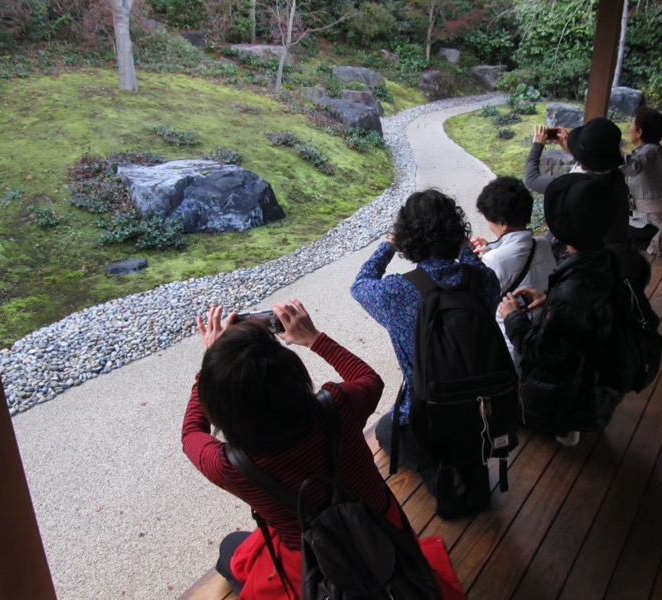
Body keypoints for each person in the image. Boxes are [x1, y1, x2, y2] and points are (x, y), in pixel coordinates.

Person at [182, 301, 419, 598]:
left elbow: (191, 431)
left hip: (314, 563)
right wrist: (314, 338)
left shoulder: (229, 464)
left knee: (231, 549)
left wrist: (211, 364)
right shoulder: (339, 406)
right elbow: (370, 379)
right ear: (294, 374)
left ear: (217, 403)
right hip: (385, 532)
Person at [350, 189, 500, 519]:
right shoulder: (483, 280)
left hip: (426, 412)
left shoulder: (395, 292)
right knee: (465, 429)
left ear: (408, 239)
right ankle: (473, 468)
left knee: (387, 432)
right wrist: (465, 247)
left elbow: (360, 284)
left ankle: (437, 474)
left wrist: (387, 245)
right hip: (483, 405)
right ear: (457, 232)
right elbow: (475, 265)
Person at [499, 173, 625, 447]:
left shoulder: (573, 290)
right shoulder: (608, 258)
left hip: (572, 392)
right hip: (600, 374)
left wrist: (514, 318)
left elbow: (541, 352)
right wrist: (550, 297)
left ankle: (561, 425)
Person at [524, 117, 642, 284]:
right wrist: (575, 151)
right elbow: (599, 163)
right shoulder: (617, 178)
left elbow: (531, 179)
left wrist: (537, 145)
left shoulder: (577, 186)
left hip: (587, 260)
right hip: (617, 256)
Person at [470, 176, 556, 372]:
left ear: (502, 223)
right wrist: (491, 249)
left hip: (512, 346)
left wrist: (484, 256)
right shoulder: (543, 245)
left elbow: (479, 303)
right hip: (543, 331)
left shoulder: (493, 261)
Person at [621, 107, 662, 257]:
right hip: (652, 220)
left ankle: (643, 243)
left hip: (648, 223)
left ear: (639, 132)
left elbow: (633, 167)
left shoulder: (649, 150)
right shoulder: (654, 150)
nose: (629, 128)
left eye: (631, 125)